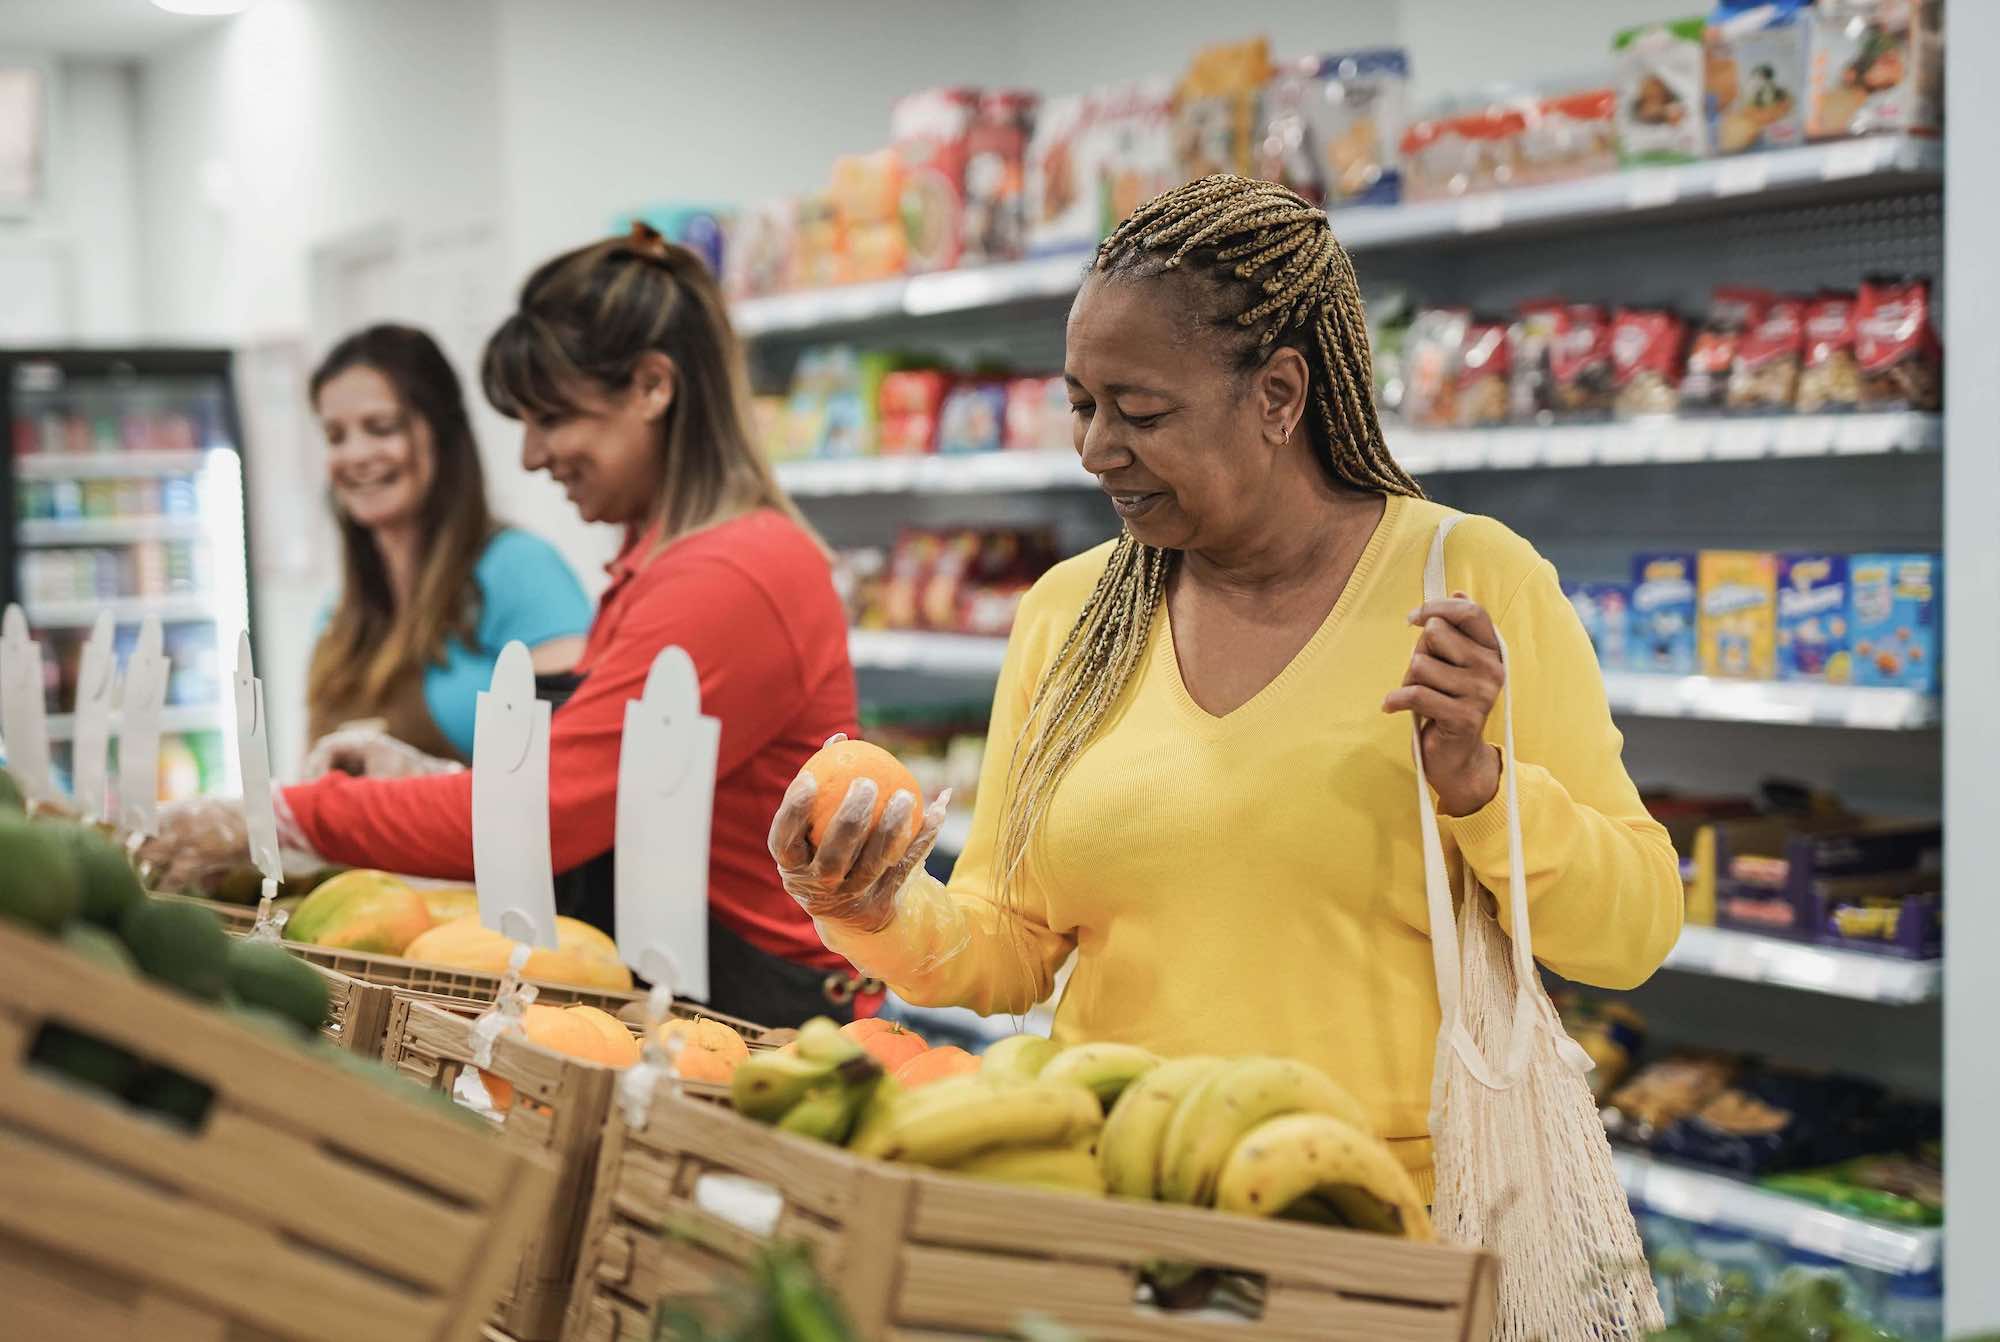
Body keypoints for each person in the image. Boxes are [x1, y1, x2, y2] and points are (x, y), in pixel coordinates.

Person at [770, 176, 1683, 1195]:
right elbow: (1010, 944)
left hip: (1376, 1220)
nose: (1093, 449)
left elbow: (1633, 930)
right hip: (1109, 1191)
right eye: (1080, 404)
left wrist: (1480, 785)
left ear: (1279, 396)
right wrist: (867, 903)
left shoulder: (1466, 582)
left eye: (1140, 412)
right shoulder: (1069, 618)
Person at [144, 224, 864, 1026]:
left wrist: (279, 816)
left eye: (552, 417)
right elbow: (602, 784)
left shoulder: (729, 576)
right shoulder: (665, 566)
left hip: (761, 1021)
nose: (530, 455)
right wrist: (426, 779)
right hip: (695, 994)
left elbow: (549, 817)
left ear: (653, 387)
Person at [304, 323, 592, 765]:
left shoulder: (520, 571)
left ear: (441, 433)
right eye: (336, 436)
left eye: (381, 428)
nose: (356, 455)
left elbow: (575, 765)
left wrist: (419, 782)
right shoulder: (338, 616)